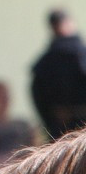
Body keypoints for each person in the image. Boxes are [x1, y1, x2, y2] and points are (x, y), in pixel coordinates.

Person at [30, 8, 86, 140]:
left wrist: (50, 121)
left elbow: (37, 95)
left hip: (59, 130)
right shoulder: (81, 55)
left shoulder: (45, 61)